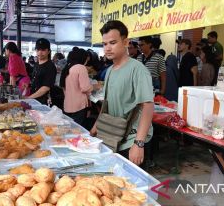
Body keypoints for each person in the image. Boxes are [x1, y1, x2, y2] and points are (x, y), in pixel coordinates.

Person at [90, 20, 154, 166]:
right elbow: (106, 103)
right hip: (115, 135)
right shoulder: (110, 71)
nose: (107, 48)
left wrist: (139, 143)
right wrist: (96, 126)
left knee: (133, 186)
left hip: (133, 139)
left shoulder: (138, 70)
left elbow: (148, 106)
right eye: (105, 44)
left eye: (112, 42)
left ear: (125, 42)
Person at [60, 49, 92, 125]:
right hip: (79, 106)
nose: (86, 61)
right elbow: (85, 88)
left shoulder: (68, 67)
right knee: (78, 130)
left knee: (70, 129)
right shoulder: (81, 67)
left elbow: (63, 87)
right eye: (86, 59)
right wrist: (95, 86)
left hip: (67, 105)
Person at [27, 38, 57, 105]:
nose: (40, 52)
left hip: (44, 102)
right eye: (38, 50)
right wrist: (28, 85)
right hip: (34, 100)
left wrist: (29, 98)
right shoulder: (36, 64)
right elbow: (36, 81)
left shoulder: (50, 66)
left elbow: (45, 87)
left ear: (48, 51)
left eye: (43, 50)